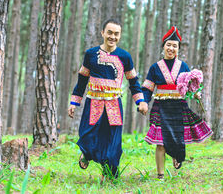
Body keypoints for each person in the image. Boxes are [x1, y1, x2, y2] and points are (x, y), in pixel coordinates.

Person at [68, 19, 148, 179]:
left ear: (120, 35)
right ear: (102, 33)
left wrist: (141, 101)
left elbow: (133, 82)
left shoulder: (125, 57)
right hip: (93, 103)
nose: (112, 36)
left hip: (114, 105)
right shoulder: (91, 54)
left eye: (116, 34)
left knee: (112, 140)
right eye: (109, 32)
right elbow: (82, 80)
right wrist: (74, 102)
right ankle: (87, 155)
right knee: (87, 135)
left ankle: (110, 172)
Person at [142, 26, 213, 179]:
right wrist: (144, 102)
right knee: (160, 142)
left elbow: (190, 87)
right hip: (160, 107)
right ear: (163, 47)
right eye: (168, 45)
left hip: (178, 107)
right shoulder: (155, 68)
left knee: (178, 138)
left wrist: (196, 93)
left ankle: (176, 155)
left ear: (178, 49)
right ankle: (160, 175)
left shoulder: (183, 66)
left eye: (174, 46)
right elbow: (148, 89)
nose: (171, 48)